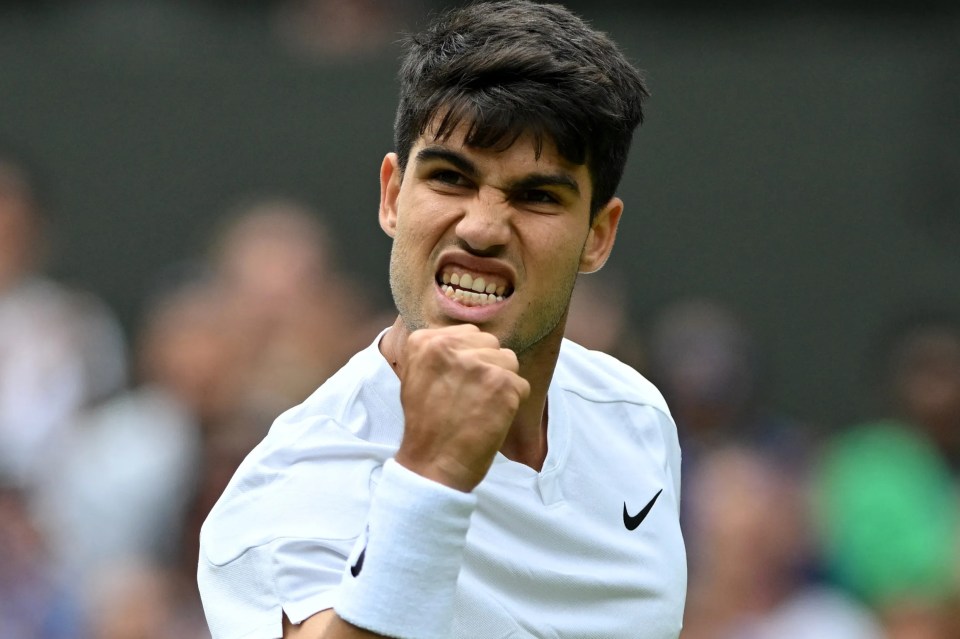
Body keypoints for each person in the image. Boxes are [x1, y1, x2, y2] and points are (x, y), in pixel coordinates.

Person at [197, 2, 686, 638]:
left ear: (598, 235)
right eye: (451, 178)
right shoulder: (293, 485)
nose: (481, 228)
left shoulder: (636, 419)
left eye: (537, 196)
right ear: (394, 196)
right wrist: (433, 475)